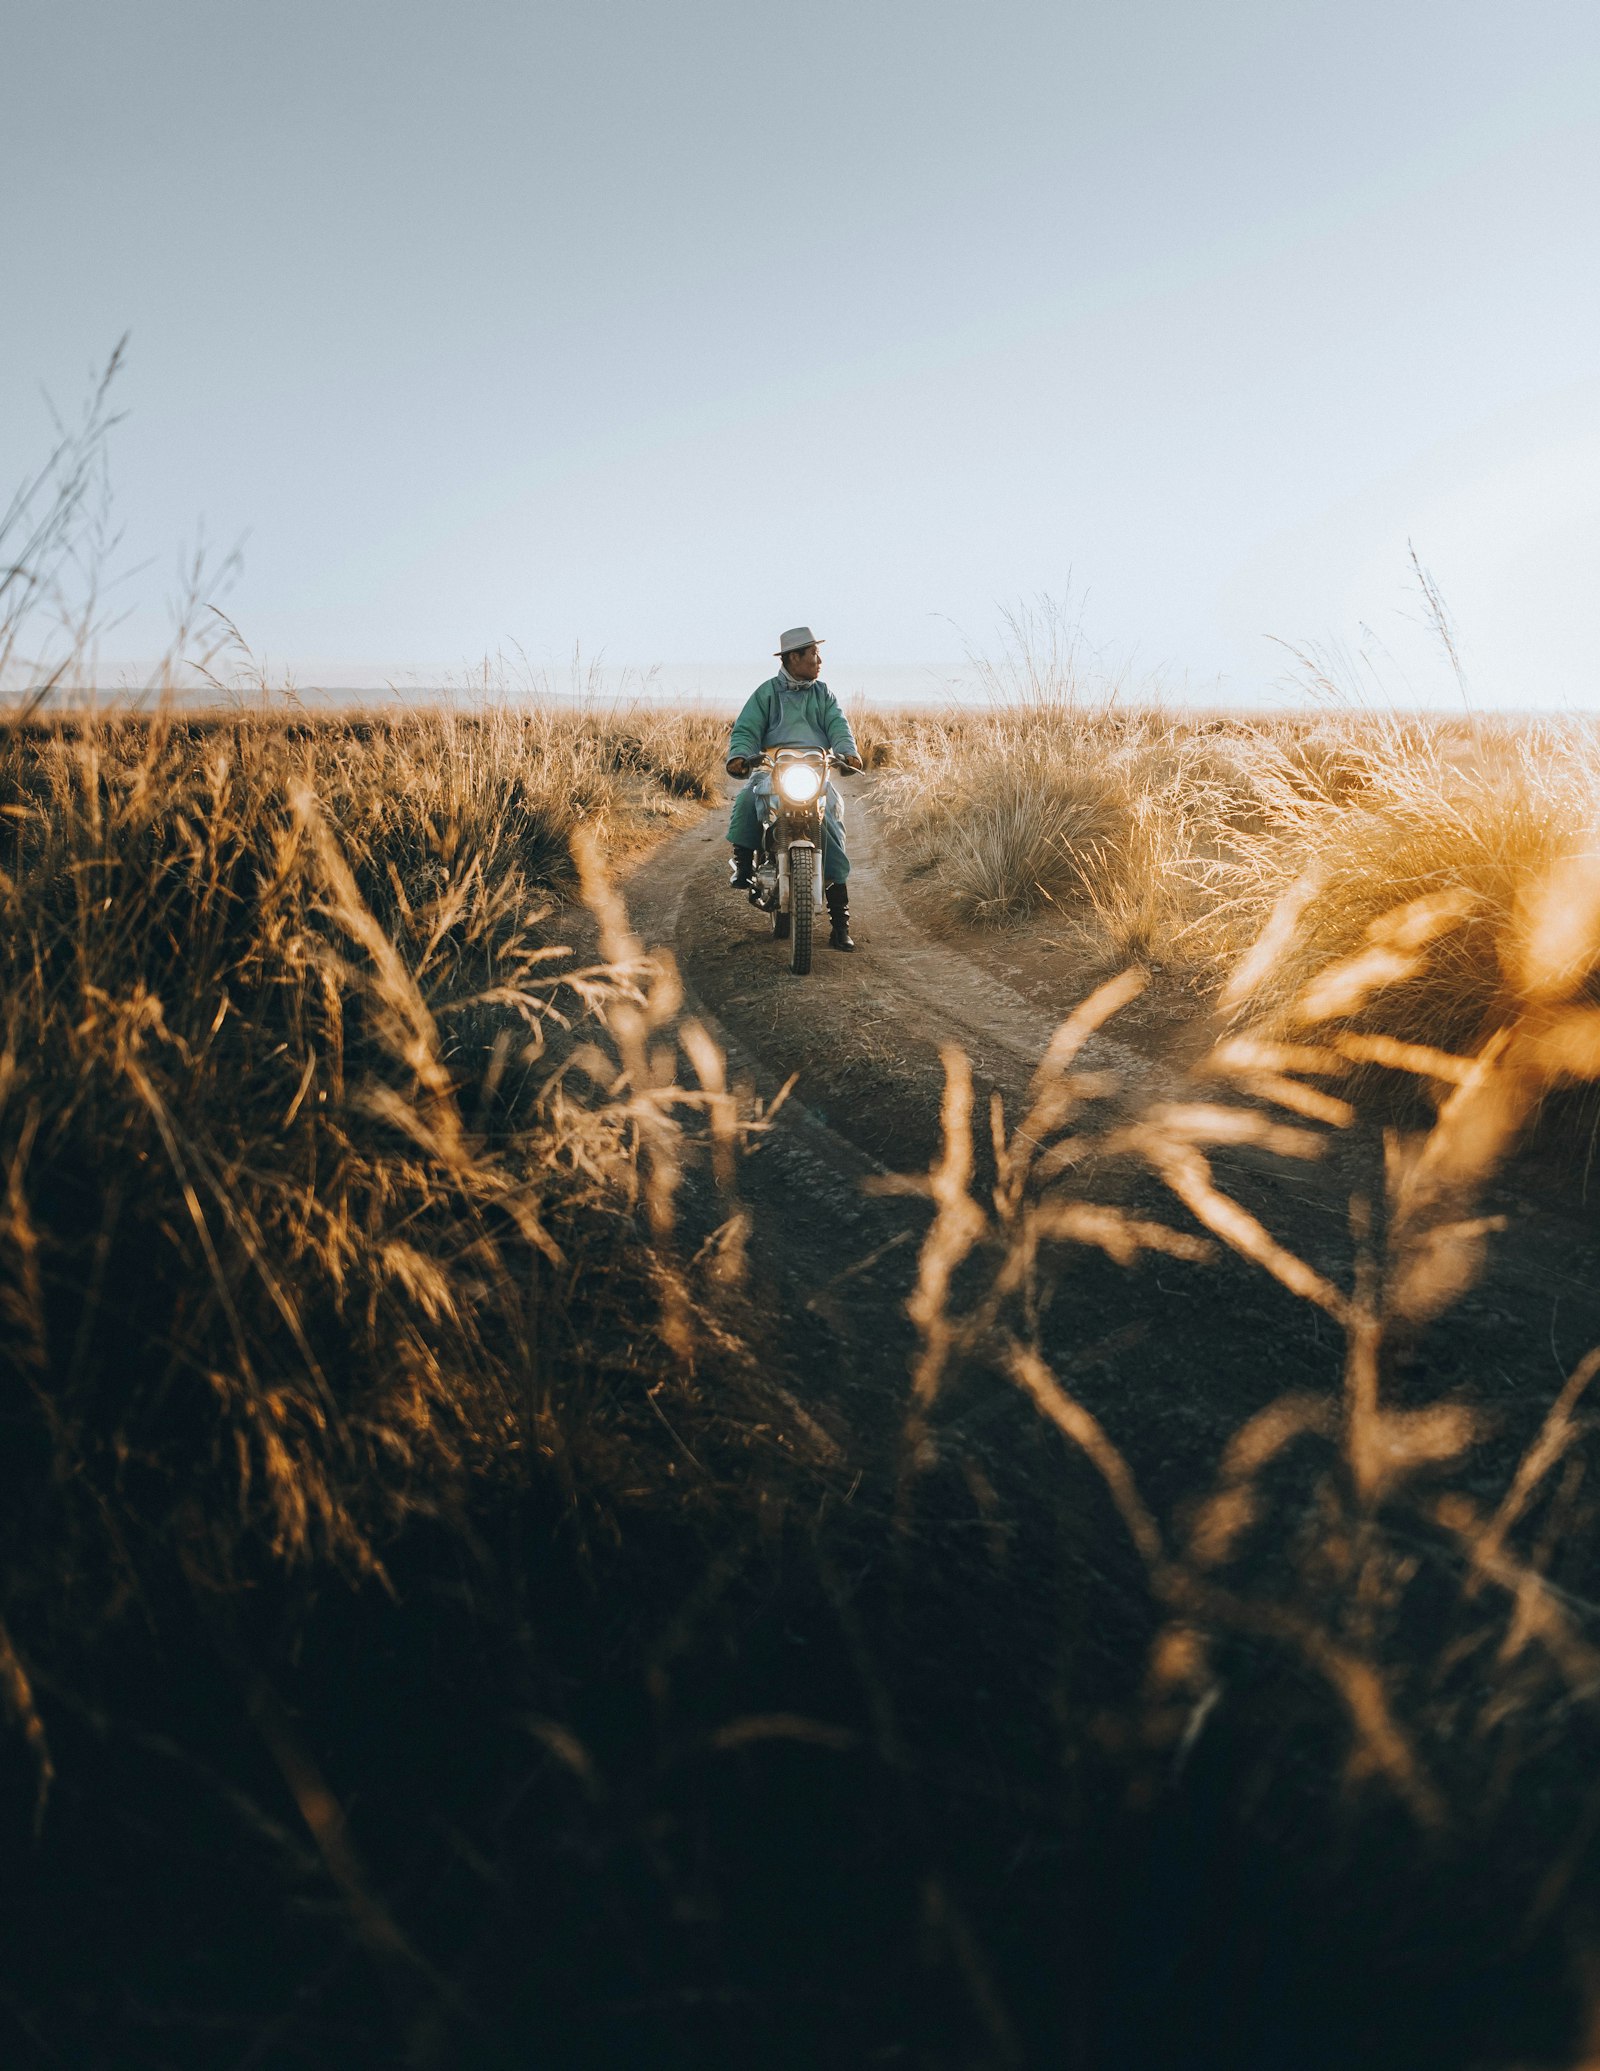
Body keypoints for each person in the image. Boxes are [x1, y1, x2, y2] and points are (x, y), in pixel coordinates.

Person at [725, 627, 863, 950]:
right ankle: (743, 863)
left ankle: (840, 923)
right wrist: (740, 756)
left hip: (814, 772)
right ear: (793, 658)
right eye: (813, 654)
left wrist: (848, 752)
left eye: (817, 653)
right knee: (749, 796)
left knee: (830, 818)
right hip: (774, 767)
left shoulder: (823, 695)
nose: (819, 660)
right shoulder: (767, 694)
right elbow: (746, 729)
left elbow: (838, 726)